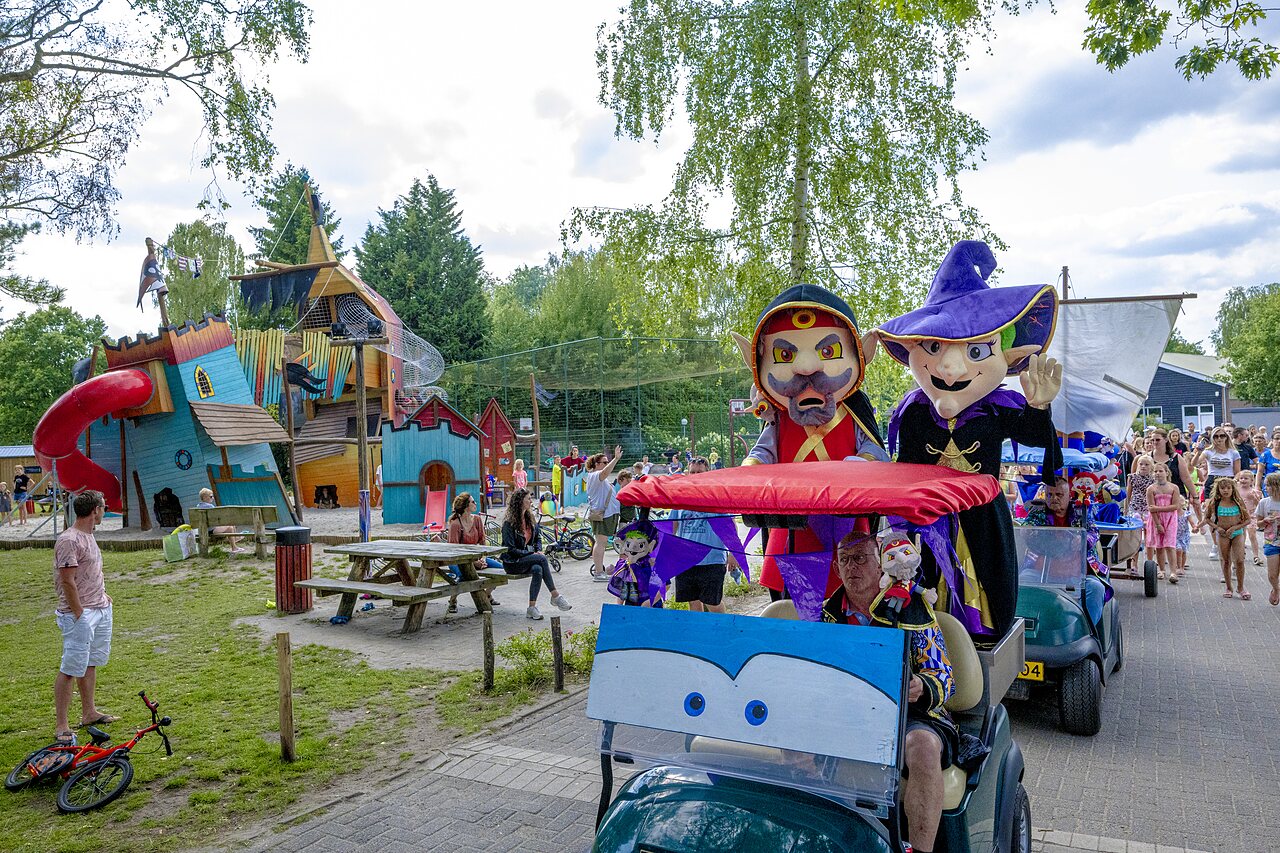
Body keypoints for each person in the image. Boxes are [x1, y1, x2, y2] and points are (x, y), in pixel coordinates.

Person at [822, 531, 955, 853]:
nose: (853, 567)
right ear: (837, 569)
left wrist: (922, 686)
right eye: (845, 559)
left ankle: (920, 850)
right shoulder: (823, 614)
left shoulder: (913, 608)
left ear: (880, 563)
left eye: (861, 558)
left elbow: (944, 674)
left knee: (922, 745)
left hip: (908, 714)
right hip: (844, 714)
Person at [53, 490, 117, 746]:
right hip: (79, 614)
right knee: (71, 667)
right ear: (95, 510)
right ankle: (62, 725)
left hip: (99, 608)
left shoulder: (88, 535)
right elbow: (67, 581)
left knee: (89, 662)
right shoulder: (69, 540)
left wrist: (103, 596)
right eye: (103, 507)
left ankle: (89, 712)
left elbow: (88, 572)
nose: (104, 511)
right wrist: (80, 613)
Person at [1023, 479, 1108, 628]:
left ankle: (1084, 629)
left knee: (1096, 588)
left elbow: (1093, 532)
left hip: (1076, 574)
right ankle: (1032, 630)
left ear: (1069, 496)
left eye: (1059, 495)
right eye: (1049, 494)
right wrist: (1031, 533)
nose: (1053, 498)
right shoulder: (1037, 511)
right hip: (1044, 572)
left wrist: (1082, 539)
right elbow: (1027, 528)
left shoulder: (1080, 511)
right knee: (1023, 580)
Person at [669, 456, 736, 613]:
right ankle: (700, 634)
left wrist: (733, 553)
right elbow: (673, 525)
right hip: (686, 560)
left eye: (699, 472)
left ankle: (722, 631)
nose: (695, 475)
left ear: (708, 473)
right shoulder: (680, 498)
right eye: (692, 472)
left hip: (711, 560)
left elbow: (730, 527)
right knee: (693, 602)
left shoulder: (716, 498)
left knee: (713, 603)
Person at [500, 489, 571, 620]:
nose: (530, 501)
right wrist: (532, 553)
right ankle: (555, 596)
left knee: (538, 569)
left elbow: (537, 538)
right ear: (520, 501)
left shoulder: (529, 518)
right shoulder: (508, 523)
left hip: (528, 559)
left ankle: (531, 608)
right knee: (542, 559)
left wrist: (537, 549)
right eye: (528, 499)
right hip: (513, 562)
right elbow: (509, 549)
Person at [445, 492, 502, 613]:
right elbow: (454, 550)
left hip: (477, 557)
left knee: (502, 570)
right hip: (458, 560)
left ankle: (487, 595)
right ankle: (453, 600)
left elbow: (482, 541)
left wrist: (483, 558)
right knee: (464, 575)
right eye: (473, 502)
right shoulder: (456, 525)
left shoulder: (476, 519)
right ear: (466, 506)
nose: (475, 503)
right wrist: (473, 562)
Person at [1205, 477, 1251, 599]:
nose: (1225, 490)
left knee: (1240, 560)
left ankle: (1241, 587)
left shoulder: (1238, 502)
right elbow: (1207, 519)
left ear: (1233, 489)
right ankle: (1228, 587)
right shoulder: (1214, 503)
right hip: (1223, 534)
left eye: (1228, 488)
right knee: (1226, 561)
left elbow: (1248, 520)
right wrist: (1217, 527)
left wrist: (1235, 528)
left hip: (1237, 533)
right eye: (1222, 488)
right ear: (1218, 489)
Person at [585, 447, 623, 581]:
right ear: (596, 464)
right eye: (604, 462)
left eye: (607, 462)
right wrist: (616, 459)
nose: (606, 465)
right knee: (600, 542)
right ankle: (598, 573)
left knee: (602, 542)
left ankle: (600, 569)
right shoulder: (595, 476)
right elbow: (605, 473)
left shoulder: (598, 477)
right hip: (603, 515)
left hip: (607, 514)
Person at [1145, 462, 1182, 583]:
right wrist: (1157, 524)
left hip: (1170, 519)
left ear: (1167, 473)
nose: (1158, 474)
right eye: (1155, 471)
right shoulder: (1151, 489)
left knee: (1170, 545)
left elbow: (1175, 506)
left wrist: (1158, 508)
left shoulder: (1173, 488)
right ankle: (1161, 569)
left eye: (1160, 471)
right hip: (1156, 519)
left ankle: (1173, 571)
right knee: (1159, 546)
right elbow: (1151, 508)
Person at [1125, 455, 1154, 575]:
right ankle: (1134, 564)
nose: (1143, 466)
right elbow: (1128, 493)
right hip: (1135, 508)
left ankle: (1150, 563)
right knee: (1135, 537)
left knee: (1149, 537)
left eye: (1146, 464)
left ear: (1151, 466)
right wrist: (1126, 509)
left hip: (1148, 509)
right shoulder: (1132, 477)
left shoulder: (1153, 479)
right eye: (1141, 464)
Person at [1254, 472, 1280, 606]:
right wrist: (1265, 520)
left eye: (1268, 485)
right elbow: (1257, 523)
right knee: (1272, 575)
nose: (1266, 488)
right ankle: (1276, 589)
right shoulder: (1264, 502)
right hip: (1272, 541)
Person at [194, 488, 246, 553]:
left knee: (230, 527)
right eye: (211, 496)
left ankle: (235, 542)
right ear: (205, 497)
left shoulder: (198, 507)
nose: (212, 498)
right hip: (212, 530)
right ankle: (235, 543)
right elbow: (219, 518)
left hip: (203, 530)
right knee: (230, 525)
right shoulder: (210, 507)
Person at [1235, 471, 1263, 568]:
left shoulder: (1254, 492)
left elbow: (1259, 505)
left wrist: (1254, 499)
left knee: (1252, 534)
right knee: (1241, 535)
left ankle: (1256, 556)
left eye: (1246, 478)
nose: (1243, 480)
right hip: (1240, 515)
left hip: (1251, 515)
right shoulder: (1236, 489)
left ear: (1252, 480)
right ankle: (1241, 552)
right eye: (1241, 478)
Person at [1255, 433, 1280, 497]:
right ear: (1272, 440)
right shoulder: (1265, 455)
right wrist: (1257, 486)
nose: (1279, 441)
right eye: (1277, 438)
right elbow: (1260, 472)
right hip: (1270, 487)